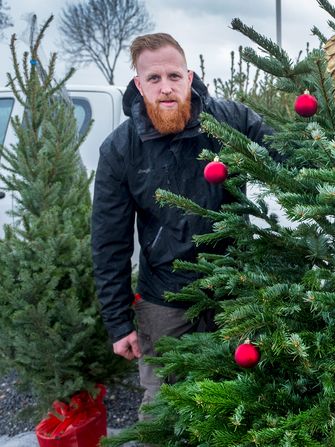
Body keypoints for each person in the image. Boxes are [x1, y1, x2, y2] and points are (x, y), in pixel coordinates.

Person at [91, 33, 272, 411]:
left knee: (244, 403)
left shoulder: (231, 121)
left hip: (236, 289)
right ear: (139, 85)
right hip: (165, 301)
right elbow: (110, 241)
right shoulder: (120, 149)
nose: (166, 88)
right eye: (153, 79)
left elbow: (289, 158)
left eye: (174, 76)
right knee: (166, 407)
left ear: (189, 77)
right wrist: (118, 323)